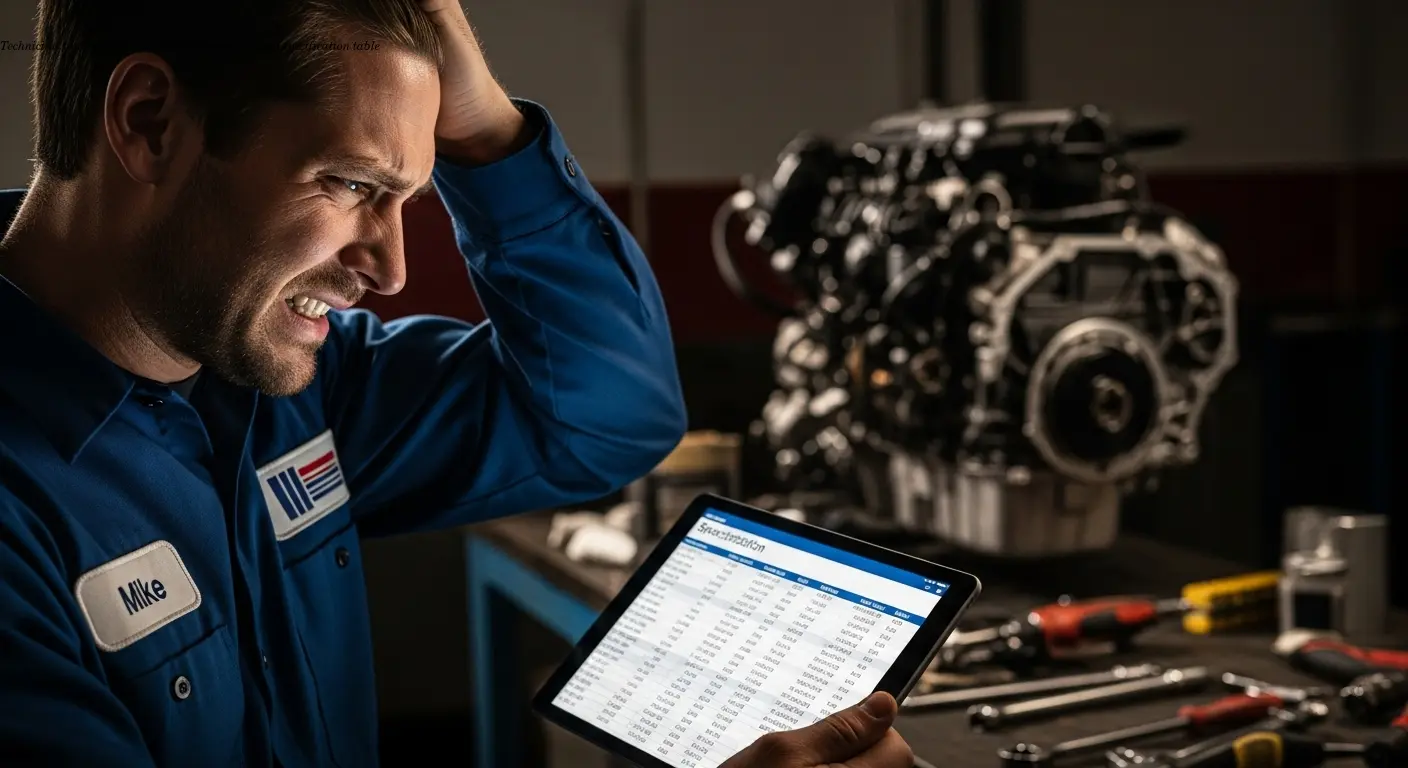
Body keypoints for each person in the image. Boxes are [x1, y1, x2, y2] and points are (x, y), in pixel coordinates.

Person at [0, 0, 917, 766]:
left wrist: (490, 136)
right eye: (351, 183)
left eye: (409, 197)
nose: (391, 267)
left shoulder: (274, 385)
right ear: (150, 122)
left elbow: (607, 420)